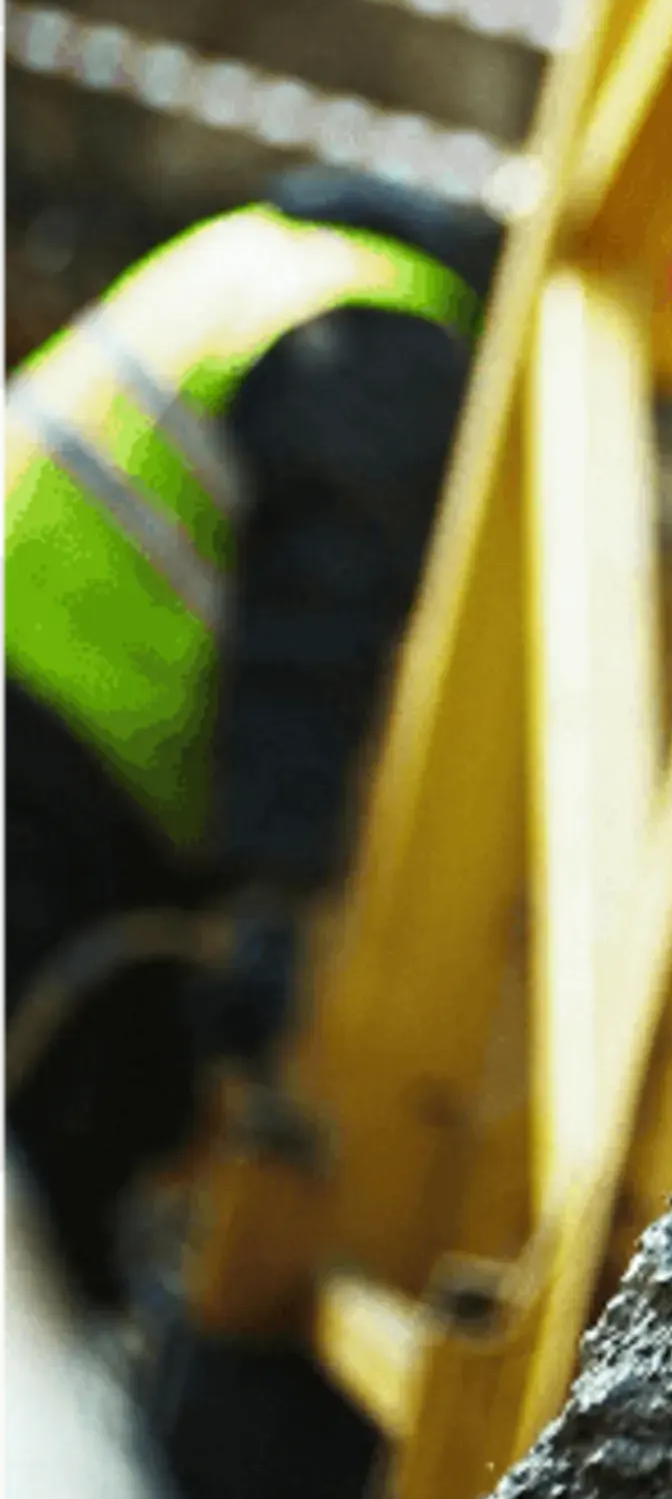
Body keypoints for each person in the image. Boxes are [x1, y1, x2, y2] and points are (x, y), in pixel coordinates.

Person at [4, 165, 496, 1312]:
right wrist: (274, 900)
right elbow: (310, 652)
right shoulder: (387, 340)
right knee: (61, 1147)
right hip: (56, 746)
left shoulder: (263, 254)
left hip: (49, 711)